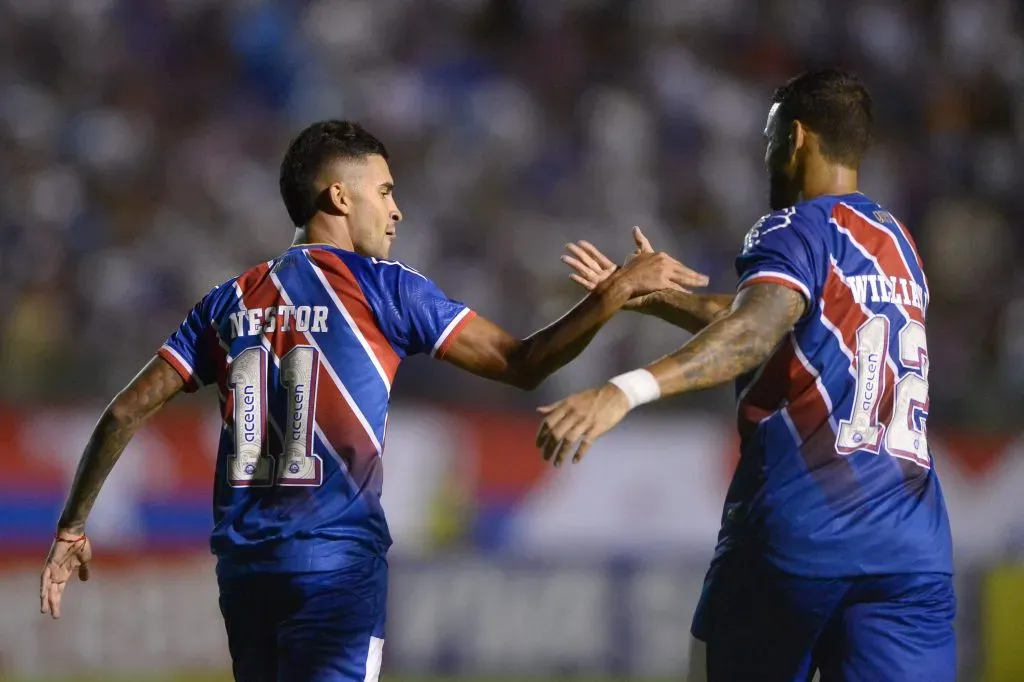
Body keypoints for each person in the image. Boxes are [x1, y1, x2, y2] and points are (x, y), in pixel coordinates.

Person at [38, 120, 709, 682]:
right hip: (334, 569)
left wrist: (72, 526)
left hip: (246, 574)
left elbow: (124, 411)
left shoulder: (228, 301)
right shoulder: (385, 289)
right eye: (384, 191)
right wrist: (614, 295)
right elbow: (522, 363)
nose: (397, 210)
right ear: (339, 195)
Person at [540, 69, 955, 682]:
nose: (764, 156)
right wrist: (651, 299)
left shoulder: (796, 227)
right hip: (910, 554)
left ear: (795, 140)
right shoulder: (896, 245)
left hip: (799, 537)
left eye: (768, 139)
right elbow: (776, 316)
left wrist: (623, 390)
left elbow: (756, 330)